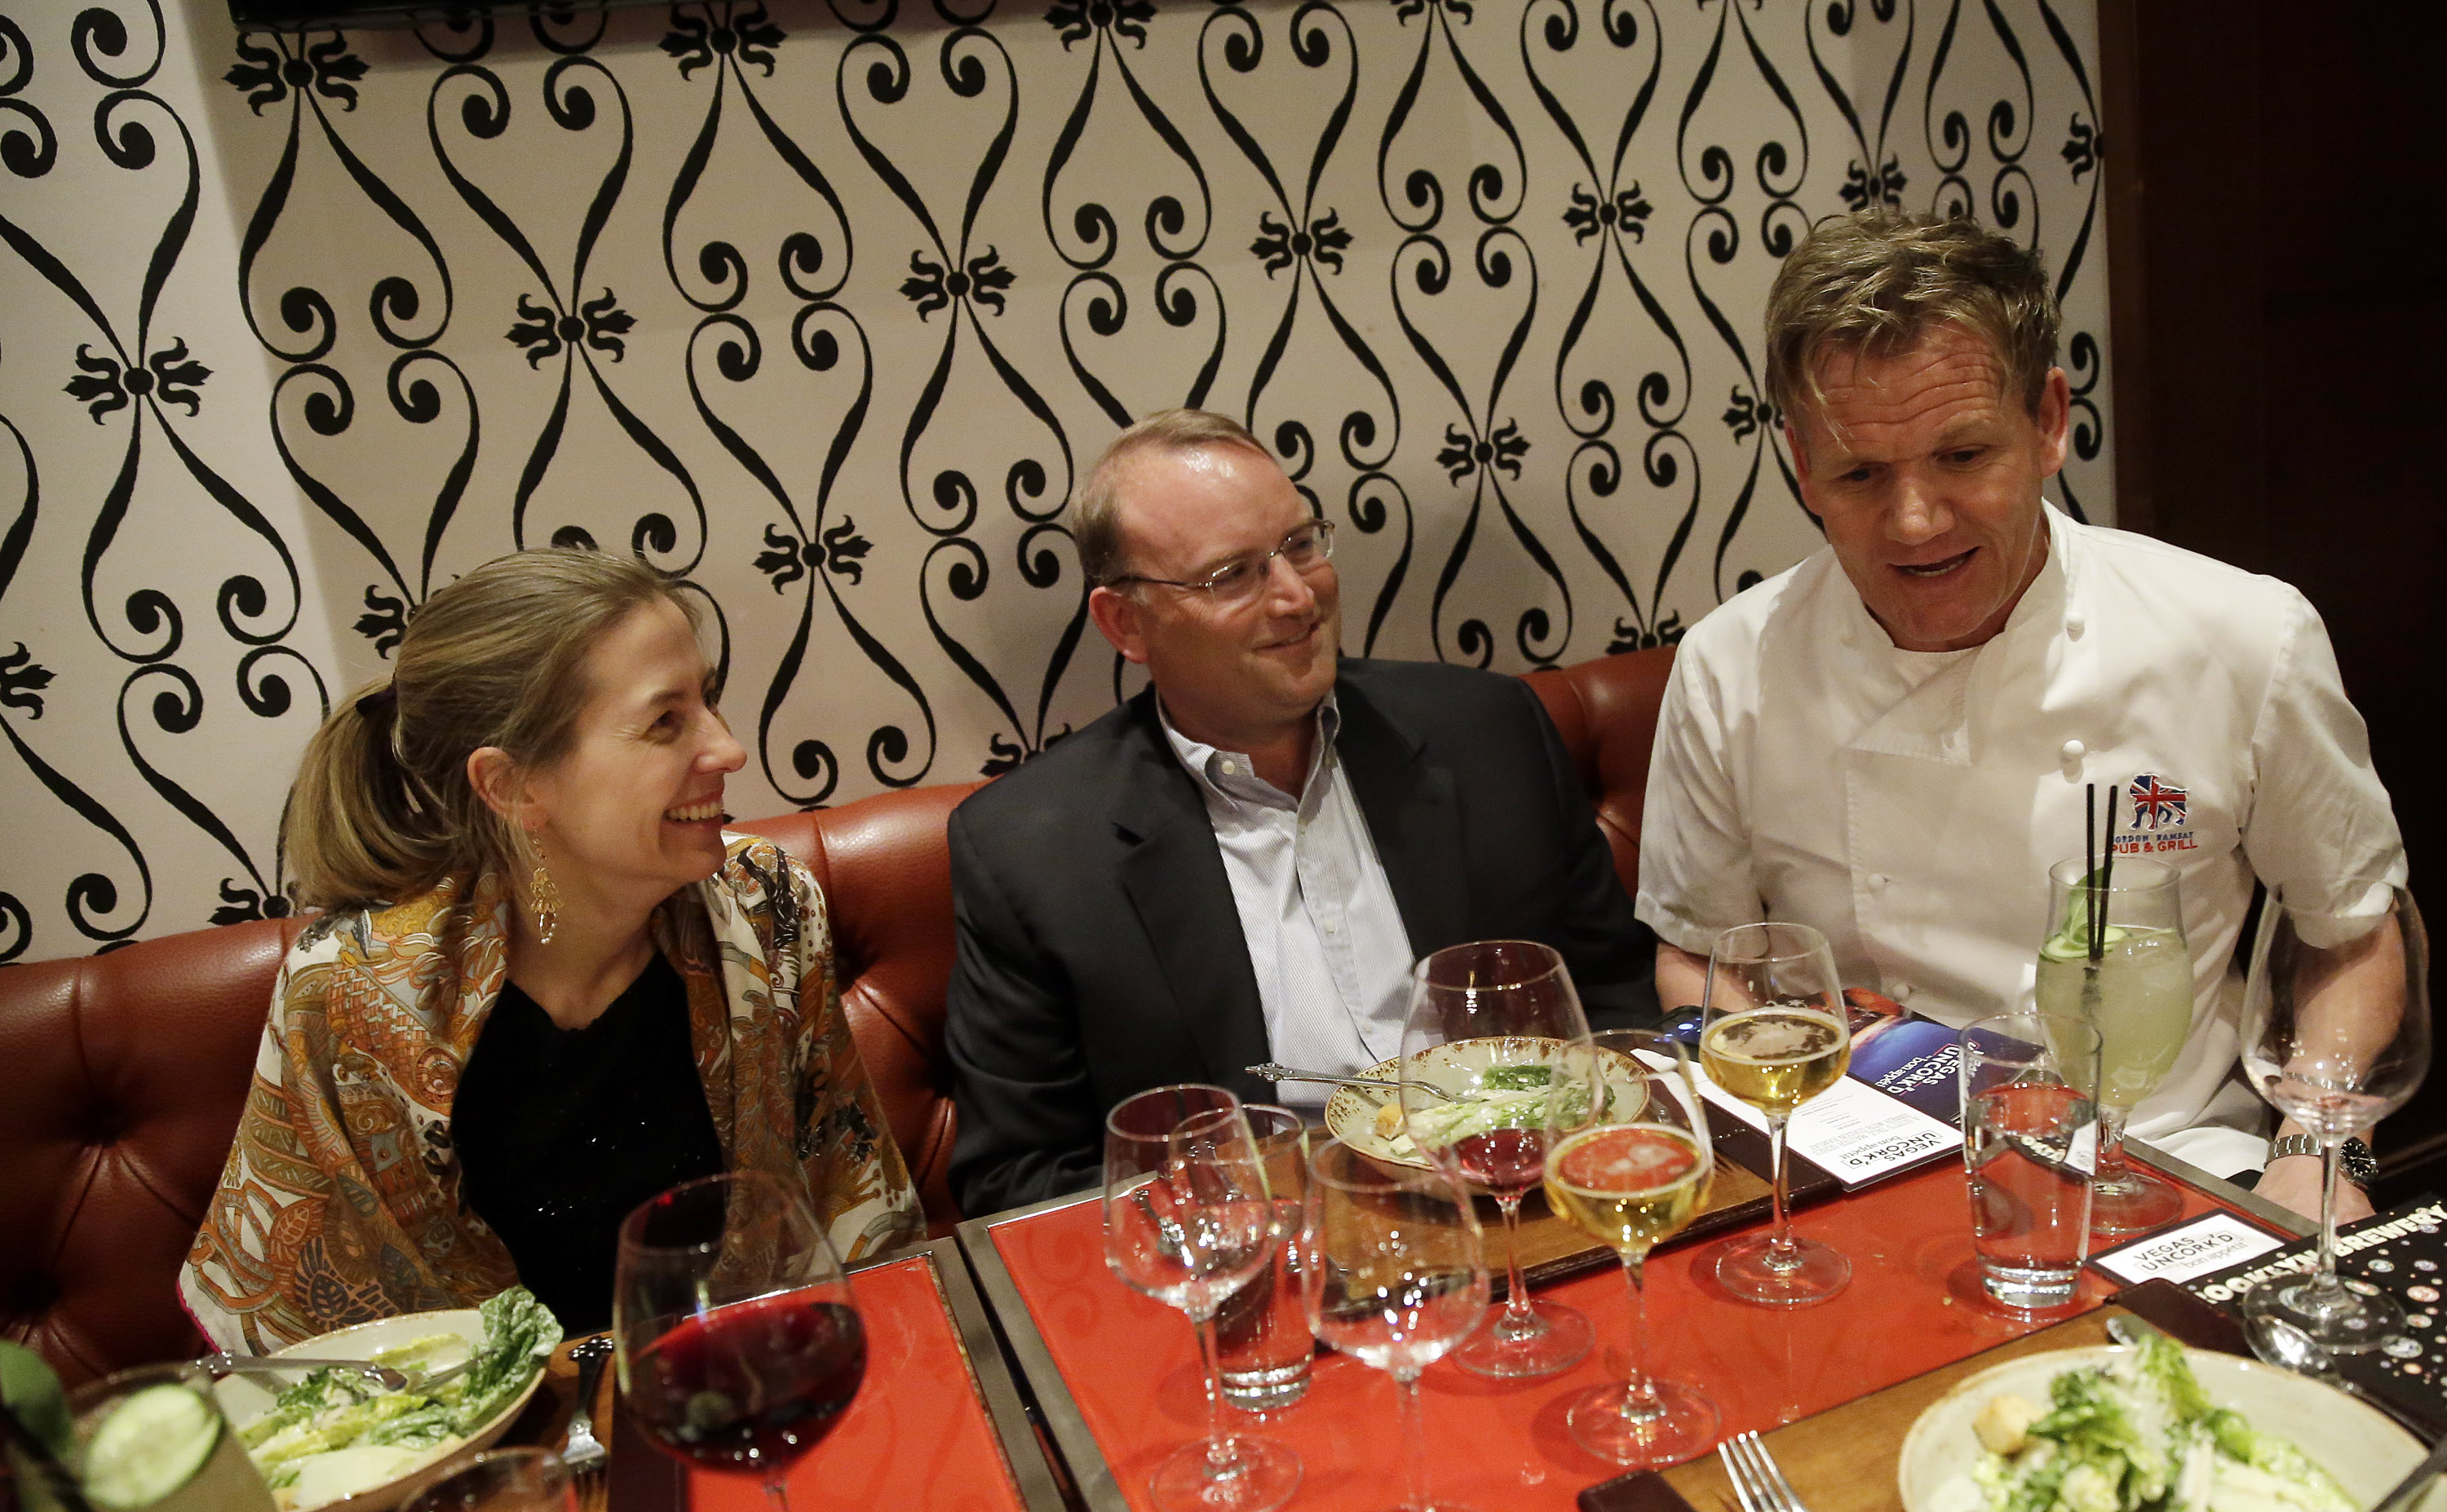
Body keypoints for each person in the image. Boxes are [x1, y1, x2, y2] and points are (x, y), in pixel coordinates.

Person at [1637, 211, 2406, 1222]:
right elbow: (1701, 954)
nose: (1915, 520)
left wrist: (2317, 1153)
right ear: (1801, 463)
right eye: (1861, 473)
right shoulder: (1729, 667)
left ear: (2047, 421)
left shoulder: (2244, 636)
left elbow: (2351, 930)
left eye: (1962, 456)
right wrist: (1790, 1114)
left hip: (2168, 1160)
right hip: (1865, 1169)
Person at [182, 550, 920, 1350]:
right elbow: (325, 1350)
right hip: (487, 1422)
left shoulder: (765, 906)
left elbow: (854, 1215)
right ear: (513, 786)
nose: (729, 749)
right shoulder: (353, 992)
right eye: (665, 722)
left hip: (744, 1379)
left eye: (708, 700)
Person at [944, 409, 1658, 1215]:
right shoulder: (1031, 851)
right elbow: (1018, 1183)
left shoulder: (1489, 733)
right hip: (1271, 1246)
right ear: (1126, 623)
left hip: (1532, 1200)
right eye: (1232, 576)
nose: (1296, 596)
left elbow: (1614, 1003)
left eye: (1300, 545)